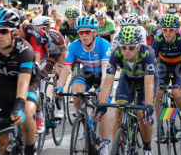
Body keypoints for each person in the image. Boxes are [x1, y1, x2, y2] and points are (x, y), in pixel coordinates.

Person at [0, 9, 39, 155]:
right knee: (1, 143)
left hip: (29, 83)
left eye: (3, 31)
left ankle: (30, 149)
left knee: (26, 112)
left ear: (13, 33)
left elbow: (24, 82)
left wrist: (19, 104)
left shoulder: (25, 50)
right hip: (5, 83)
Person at [95, 25, 156, 155]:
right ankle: (115, 149)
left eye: (132, 47)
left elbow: (149, 84)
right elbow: (107, 82)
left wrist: (149, 108)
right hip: (128, 79)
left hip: (145, 80)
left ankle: (147, 148)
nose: (127, 50)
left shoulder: (148, 54)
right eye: (123, 47)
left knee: (142, 113)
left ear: (139, 46)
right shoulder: (116, 53)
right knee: (119, 108)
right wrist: (102, 106)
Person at [56, 16, 111, 155]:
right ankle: (81, 119)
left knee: (102, 108)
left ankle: (105, 145)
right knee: (76, 90)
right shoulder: (74, 45)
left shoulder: (103, 44)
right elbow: (67, 68)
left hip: (101, 74)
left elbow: (105, 71)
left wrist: (102, 89)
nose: (84, 35)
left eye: (87, 32)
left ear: (94, 32)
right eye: (81, 32)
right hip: (86, 73)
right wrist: (60, 87)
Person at [152, 14, 181, 142]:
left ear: (176, 30)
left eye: (171, 30)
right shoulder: (157, 40)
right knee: (158, 93)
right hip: (164, 67)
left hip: (178, 67)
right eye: (164, 30)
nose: (167, 33)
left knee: (176, 93)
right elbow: (152, 63)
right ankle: (160, 126)